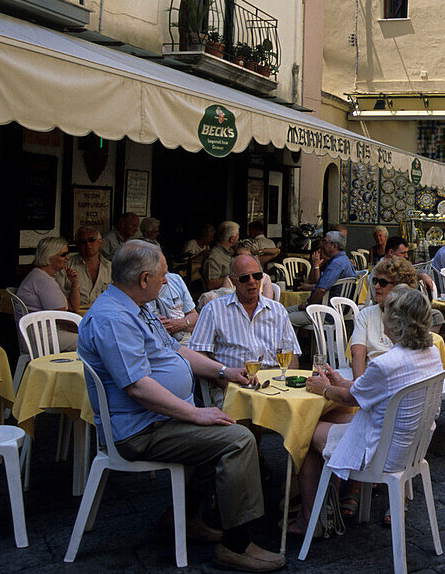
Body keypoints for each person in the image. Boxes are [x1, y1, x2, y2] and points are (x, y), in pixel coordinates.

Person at [76, 241, 283, 571]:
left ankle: (182, 517)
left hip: (159, 420)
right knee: (237, 440)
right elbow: (138, 387)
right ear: (144, 278)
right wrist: (196, 413)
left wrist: (224, 372)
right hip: (140, 431)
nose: (167, 279)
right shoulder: (113, 319)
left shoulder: (138, 306)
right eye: (161, 274)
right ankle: (235, 546)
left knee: (222, 428)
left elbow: (176, 351)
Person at [295, 285, 443, 535]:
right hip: (411, 448)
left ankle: (312, 519)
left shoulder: (387, 363)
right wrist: (337, 380)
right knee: (336, 420)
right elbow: (365, 390)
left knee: (306, 431)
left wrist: (324, 388)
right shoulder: (430, 354)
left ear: (395, 322)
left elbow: (351, 398)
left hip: (381, 453)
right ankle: (326, 506)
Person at [190, 254, 300, 405]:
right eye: (244, 278)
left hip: (274, 386)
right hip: (233, 386)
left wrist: (287, 384)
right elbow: (198, 355)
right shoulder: (214, 310)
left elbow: (292, 354)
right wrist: (223, 381)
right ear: (233, 280)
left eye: (257, 276)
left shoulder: (278, 310)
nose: (252, 282)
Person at [349, 256, 419, 378]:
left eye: (383, 283)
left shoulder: (411, 314)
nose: (376, 287)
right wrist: (358, 387)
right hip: (373, 378)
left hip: (401, 379)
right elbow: (357, 354)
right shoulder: (367, 314)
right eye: (375, 281)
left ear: (400, 287)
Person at [18, 236, 79, 350]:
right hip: (44, 337)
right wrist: (88, 330)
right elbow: (63, 320)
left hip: (45, 333)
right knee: (94, 341)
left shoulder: (46, 277)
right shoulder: (43, 280)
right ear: (49, 256)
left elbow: (73, 308)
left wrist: (74, 284)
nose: (67, 257)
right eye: (63, 255)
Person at [287, 231, 355, 330]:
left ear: (334, 246)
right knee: (282, 311)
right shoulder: (344, 260)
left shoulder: (336, 264)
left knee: (282, 317)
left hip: (324, 312)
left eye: (325, 242)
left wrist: (308, 306)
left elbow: (321, 290)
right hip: (333, 310)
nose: (322, 245)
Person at [143, 240, 198, 342]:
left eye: (166, 273)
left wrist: (182, 323)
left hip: (183, 340)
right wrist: (151, 326)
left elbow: (194, 316)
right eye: (161, 274)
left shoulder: (175, 280)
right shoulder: (135, 295)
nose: (165, 280)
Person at [65, 227, 111, 311]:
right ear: (77, 245)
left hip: (103, 314)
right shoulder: (66, 265)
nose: (87, 244)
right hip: (75, 315)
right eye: (82, 241)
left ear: (100, 243)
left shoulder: (111, 268)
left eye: (92, 240)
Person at [203, 221, 239, 291]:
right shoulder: (214, 256)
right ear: (232, 239)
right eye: (238, 235)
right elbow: (211, 284)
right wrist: (237, 278)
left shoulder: (231, 252)